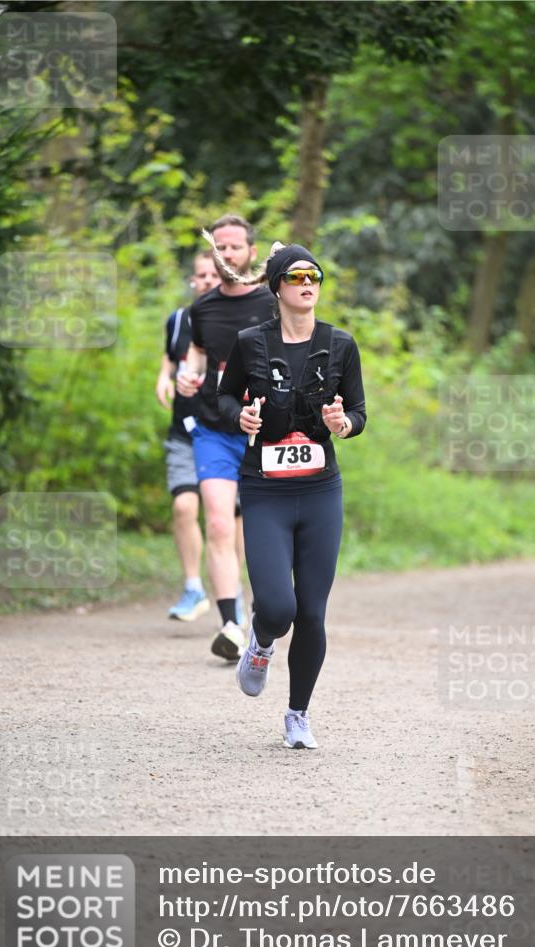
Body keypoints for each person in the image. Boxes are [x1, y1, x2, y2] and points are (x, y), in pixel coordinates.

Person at [217, 242, 366, 748]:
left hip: (321, 489)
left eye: (315, 276)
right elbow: (222, 394)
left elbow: (360, 415)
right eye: (297, 276)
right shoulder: (251, 342)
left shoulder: (340, 344)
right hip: (266, 490)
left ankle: (297, 714)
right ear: (277, 285)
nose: (308, 283)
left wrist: (342, 423)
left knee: (313, 612)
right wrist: (239, 416)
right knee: (278, 607)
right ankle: (260, 642)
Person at [178, 215, 276, 661]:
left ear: (252, 252)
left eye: (235, 246)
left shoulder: (274, 303)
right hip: (216, 430)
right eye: (220, 247)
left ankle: (264, 610)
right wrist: (188, 376)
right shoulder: (203, 309)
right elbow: (199, 356)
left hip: (266, 433)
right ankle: (231, 626)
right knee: (218, 523)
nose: (227, 254)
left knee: (261, 531)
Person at [156, 251, 219, 621]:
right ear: (193, 281)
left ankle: (234, 594)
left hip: (229, 434)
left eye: (214, 274)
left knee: (229, 519)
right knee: (183, 506)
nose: (208, 279)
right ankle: (194, 587)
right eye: (201, 275)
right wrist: (163, 378)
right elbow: (170, 357)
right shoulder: (178, 320)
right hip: (184, 433)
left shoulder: (237, 319)